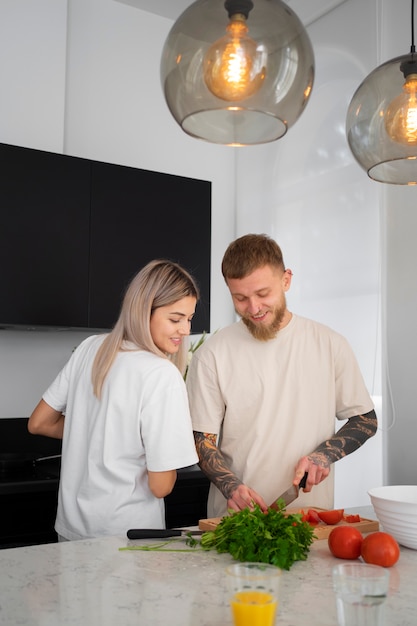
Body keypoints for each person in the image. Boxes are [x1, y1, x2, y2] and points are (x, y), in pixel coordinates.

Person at [186, 234, 377, 518]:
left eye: (263, 294)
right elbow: (201, 441)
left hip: (310, 519)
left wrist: (324, 455)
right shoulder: (212, 354)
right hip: (235, 521)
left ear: (286, 280)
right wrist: (232, 487)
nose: (253, 308)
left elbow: (365, 420)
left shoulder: (329, 344)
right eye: (240, 298)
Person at [28, 259, 199, 540]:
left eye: (189, 318)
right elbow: (161, 486)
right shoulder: (161, 374)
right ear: (144, 311)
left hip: (72, 531)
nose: (185, 330)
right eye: (175, 319)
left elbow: (39, 423)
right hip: (127, 536)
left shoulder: (90, 347)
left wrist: (95, 436)